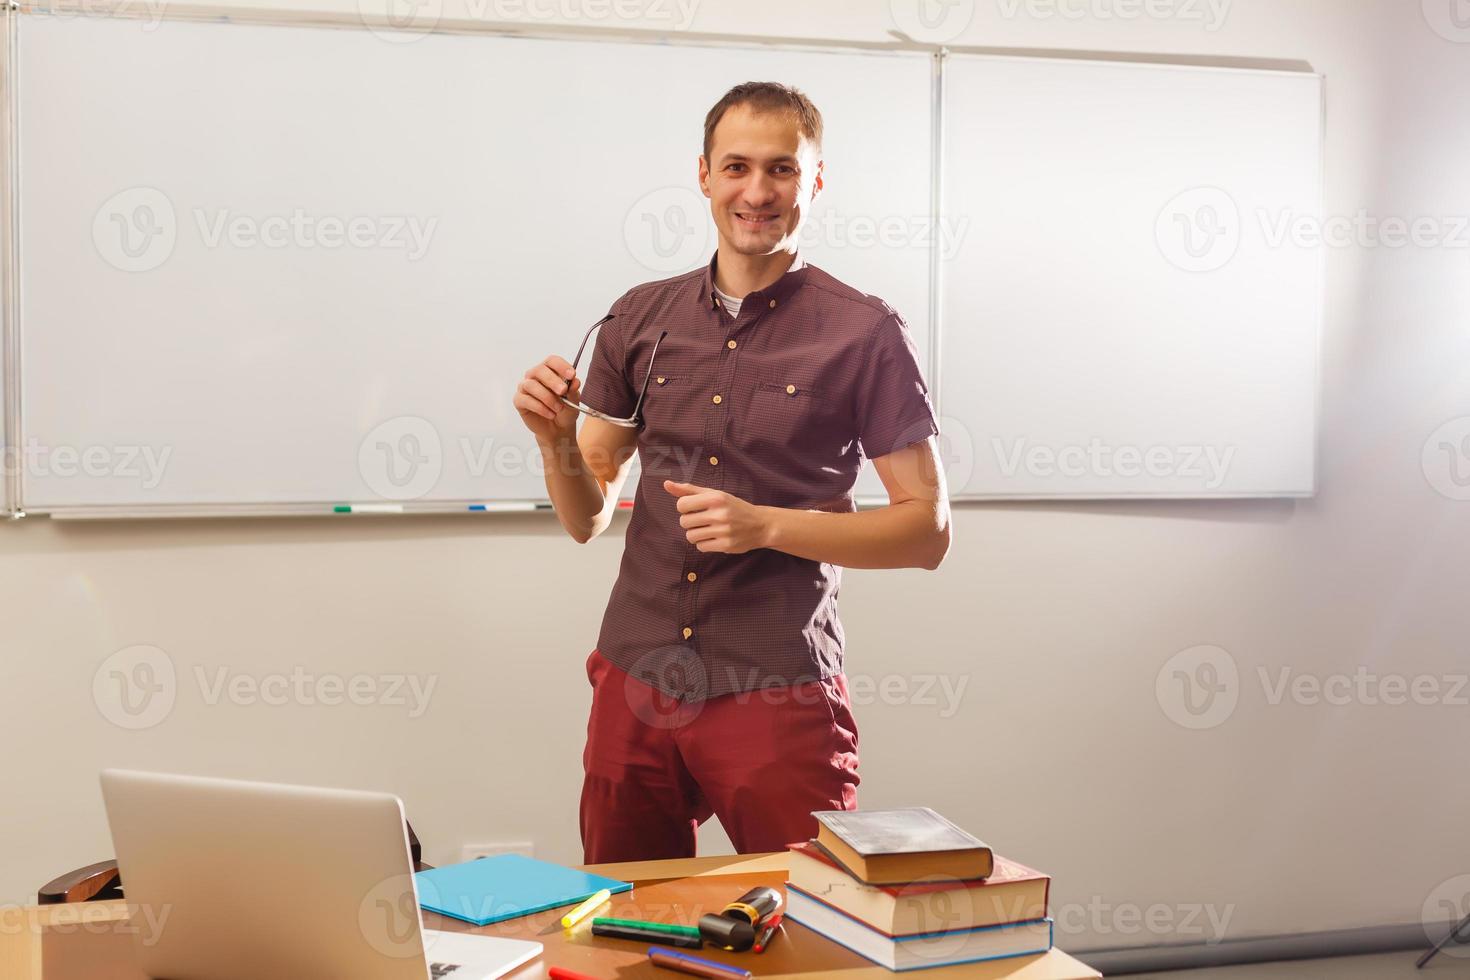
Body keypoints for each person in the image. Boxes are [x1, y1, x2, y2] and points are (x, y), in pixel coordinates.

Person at [513, 81, 950, 863]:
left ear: (814, 181)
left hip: (775, 686)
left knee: (807, 925)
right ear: (705, 174)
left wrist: (768, 527)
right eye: (738, 167)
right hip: (633, 676)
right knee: (628, 921)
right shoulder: (638, 318)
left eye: (781, 170)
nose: (757, 192)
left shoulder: (865, 333)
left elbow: (927, 530)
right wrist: (555, 442)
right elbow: (588, 517)